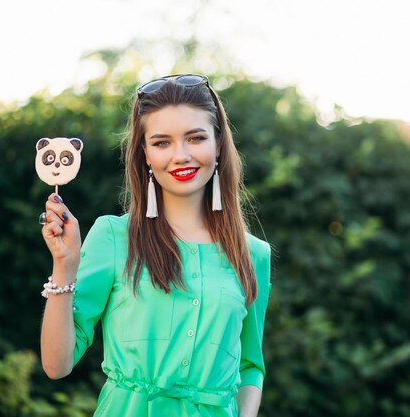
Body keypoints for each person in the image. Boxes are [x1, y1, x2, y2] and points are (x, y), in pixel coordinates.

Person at [39, 74, 272, 417]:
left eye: (195, 138)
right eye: (162, 142)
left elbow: (250, 364)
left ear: (218, 143)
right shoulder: (113, 237)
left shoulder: (253, 255)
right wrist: (64, 265)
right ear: (145, 153)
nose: (181, 155)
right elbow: (57, 365)